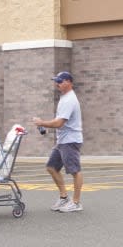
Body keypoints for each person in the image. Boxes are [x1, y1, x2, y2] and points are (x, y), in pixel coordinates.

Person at [32, 71, 84, 212]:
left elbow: (59, 123)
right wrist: (46, 127)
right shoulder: (64, 98)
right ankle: (64, 198)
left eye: (60, 81)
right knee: (51, 167)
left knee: (74, 171)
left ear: (69, 82)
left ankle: (76, 202)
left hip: (70, 141)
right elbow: (59, 122)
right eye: (56, 81)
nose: (57, 84)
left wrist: (42, 122)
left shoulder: (69, 100)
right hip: (63, 140)